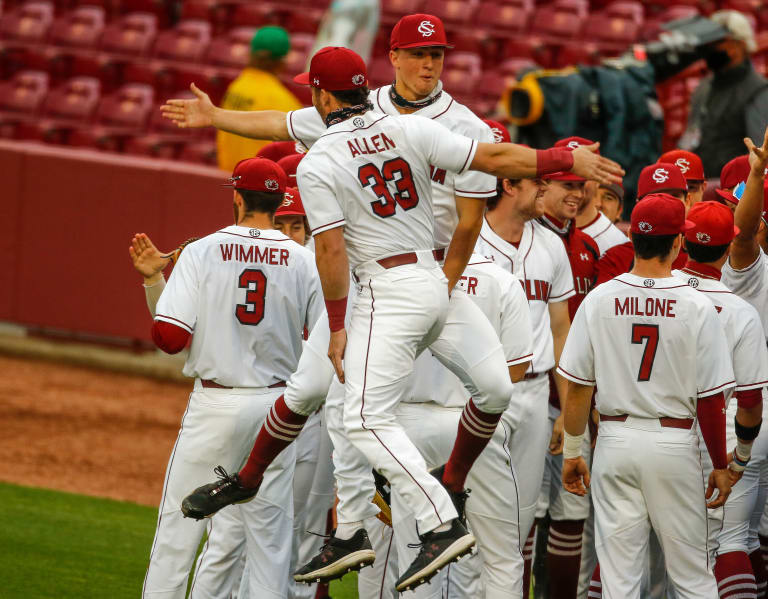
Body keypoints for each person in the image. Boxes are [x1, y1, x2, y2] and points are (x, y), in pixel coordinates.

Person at [179, 45, 621, 594]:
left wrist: (338, 324)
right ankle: (311, 505)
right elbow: (497, 160)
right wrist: (562, 160)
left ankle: (438, 518)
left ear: (320, 95)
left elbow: (332, 254)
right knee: (490, 389)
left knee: (360, 417)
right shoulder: (407, 128)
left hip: (382, 289)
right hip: (439, 284)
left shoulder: (319, 161)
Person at [136, 157, 324, 599]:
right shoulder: (304, 261)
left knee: (176, 537)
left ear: (237, 198)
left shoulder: (202, 250)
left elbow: (169, 337)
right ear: (279, 203)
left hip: (214, 407)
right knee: (271, 544)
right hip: (277, 412)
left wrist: (158, 282)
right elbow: (325, 343)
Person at [559, 193, 735, 598]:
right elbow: (710, 401)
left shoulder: (599, 298)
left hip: (614, 441)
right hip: (672, 442)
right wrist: (721, 465)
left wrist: (573, 452)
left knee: (619, 582)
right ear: (678, 243)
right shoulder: (696, 303)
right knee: (692, 577)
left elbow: (578, 388)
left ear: (634, 238)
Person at [474, 168, 576, 595]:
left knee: (521, 516)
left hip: (535, 393)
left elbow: (561, 330)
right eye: (536, 182)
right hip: (479, 392)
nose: (545, 189)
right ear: (508, 185)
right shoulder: (467, 238)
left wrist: (567, 415)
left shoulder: (550, 243)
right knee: (473, 515)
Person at [672, 200, 768, 599]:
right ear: (728, 248)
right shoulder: (741, 308)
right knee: (732, 542)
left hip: (662, 428)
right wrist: (740, 459)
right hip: (732, 430)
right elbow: (750, 398)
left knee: (638, 546)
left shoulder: (658, 293)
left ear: (683, 242)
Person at [535, 137, 601, 599]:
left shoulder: (589, 248)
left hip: (575, 401)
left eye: (582, 185)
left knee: (570, 515)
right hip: (534, 393)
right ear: (543, 183)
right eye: (567, 184)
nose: (576, 194)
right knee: (521, 514)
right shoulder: (528, 240)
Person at [680, 10, 768, 177]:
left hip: (733, 191)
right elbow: (690, 135)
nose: (710, 48)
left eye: (718, 42)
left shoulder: (758, 91)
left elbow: (759, 155)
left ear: (739, 45)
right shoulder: (704, 87)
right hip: (701, 184)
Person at [216, 26, 302, 171]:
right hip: (257, 187)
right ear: (282, 61)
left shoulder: (236, 87)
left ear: (251, 53)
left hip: (226, 178)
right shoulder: (283, 101)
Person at [595, 163, 691, 286]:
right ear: (638, 205)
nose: (666, 204)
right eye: (653, 197)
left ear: (687, 201)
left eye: (674, 196)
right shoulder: (616, 258)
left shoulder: (703, 255)